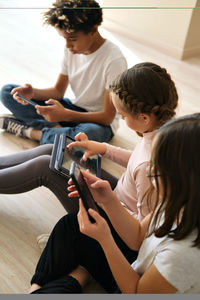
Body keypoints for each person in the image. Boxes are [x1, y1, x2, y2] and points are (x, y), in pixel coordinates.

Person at [29, 113, 200, 294]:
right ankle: (41, 287)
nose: (150, 171)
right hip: (137, 270)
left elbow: (136, 292)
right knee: (70, 225)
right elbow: (138, 238)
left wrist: (105, 239)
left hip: (133, 288)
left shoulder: (184, 253)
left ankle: (71, 281)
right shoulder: (178, 201)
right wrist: (108, 200)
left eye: (157, 167)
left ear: (183, 178)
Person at [0, 63, 178, 220]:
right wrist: (103, 148)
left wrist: (107, 200)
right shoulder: (160, 134)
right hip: (117, 197)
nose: (121, 119)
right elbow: (137, 159)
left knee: (45, 166)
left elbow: (142, 228)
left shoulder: (149, 165)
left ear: (144, 117)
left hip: (114, 220)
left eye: (122, 116)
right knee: (55, 149)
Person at [0, 0, 127, 145]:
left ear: (93, 30)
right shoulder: (71, 49)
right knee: (7, 92)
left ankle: (31, 132)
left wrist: (66, 115)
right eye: (64, 38)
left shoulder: (114, 60)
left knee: (89, 134)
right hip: (71, 108)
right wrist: (32, 93)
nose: (67, 45)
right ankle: (56, 131)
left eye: (72, 39)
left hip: (98, 122)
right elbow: (58, 91)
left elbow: (107, 117)